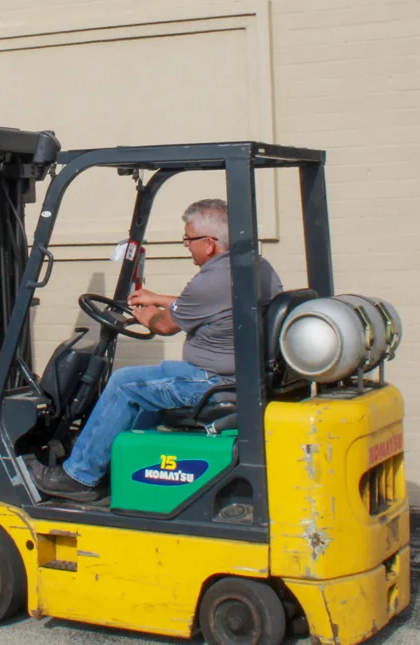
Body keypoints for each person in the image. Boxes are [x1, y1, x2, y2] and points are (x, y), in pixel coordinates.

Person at [35, 197, 282, 502]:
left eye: (188, 239)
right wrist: (159, 298)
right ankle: (118, 467)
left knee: (125, 384)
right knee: (147, 388)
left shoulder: (213, 279)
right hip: (232, 376)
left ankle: (79, 475)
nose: (186, 246)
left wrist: (146, 314)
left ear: (209, 243)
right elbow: (210, 306)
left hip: (212, 382)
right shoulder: (252, 267)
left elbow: (165, 326)